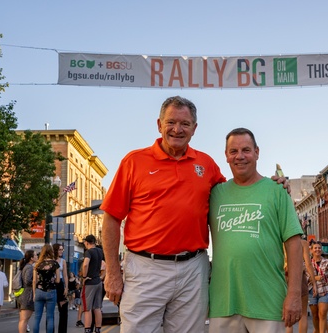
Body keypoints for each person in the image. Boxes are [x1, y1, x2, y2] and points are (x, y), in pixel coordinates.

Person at [100, 96, 287, 333]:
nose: (177, 129)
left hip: (193, 269)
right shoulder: (134, 161)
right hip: (146, 267)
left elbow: (237, 190)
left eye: (185, 124)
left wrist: (273, 186)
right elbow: (111, 218)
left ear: (194, 129)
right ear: (159, 124)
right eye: (171, 122)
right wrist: (113, 273)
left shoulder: (206, 164)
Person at [208, 127, 303, 332]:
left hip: (268, 303)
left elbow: (294, 244)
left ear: (257, 152)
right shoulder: (215, 193)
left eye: (246, 150)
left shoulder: (277, 191)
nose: (240, 156)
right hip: (223, 304)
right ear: (226, 156)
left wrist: (294, 294)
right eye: (233, 151)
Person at [285, 236, 317, 333]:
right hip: (299, 277)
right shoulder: (303, 243)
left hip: (284, 277)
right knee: (303, 315)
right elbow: (308, 264)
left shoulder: (282, 242)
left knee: (286, 316)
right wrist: (314, 282)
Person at [308, 241, 328, 333]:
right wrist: (314, 278)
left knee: (322, 313)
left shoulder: (327, 262)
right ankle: (317, 330)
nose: (317, 250)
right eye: (315, 248)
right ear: (311, 250)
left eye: (319, 248)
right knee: (315, 316)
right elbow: (304, 277)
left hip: (325, 290)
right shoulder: (308, 263)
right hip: (312, 292)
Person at [33, 244, 60, 333]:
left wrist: (34, 293)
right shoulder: (55, 263)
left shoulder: (37, 264)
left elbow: (34, 280)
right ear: (51, 251)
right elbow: (58, 280)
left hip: (39, 291)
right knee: (50, 317)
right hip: (51, 291)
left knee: (37, 317)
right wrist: (52, 280)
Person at [82, 235, 104, 333]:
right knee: (97, 307)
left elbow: (86, 263)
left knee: (87, 308)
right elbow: (104, 265)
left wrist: (84, 276)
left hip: (90, 282)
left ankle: (87, 329)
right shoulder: (100, 251)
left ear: (87, 242)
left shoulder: (88, 252)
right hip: (98, 281)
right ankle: (98, 329)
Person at [17, 250, 37, 333]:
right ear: (31, 258)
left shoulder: (27, 266)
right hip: (27, 295)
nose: (37, 256)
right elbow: (27, 280)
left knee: (24, 319)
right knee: (24, 319)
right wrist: (36, 280)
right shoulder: (29, 267)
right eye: (35, 255)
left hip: (24, 294)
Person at [53, 243, 69, 333]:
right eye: (59, 249)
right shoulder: (51, 260)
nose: (61, 251)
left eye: (62, 249)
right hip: (52, 285)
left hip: (61, 286)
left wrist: (66, 288)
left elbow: (66, 275)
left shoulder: (63, 261)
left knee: (63, 311)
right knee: (50, 312)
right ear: (55, 250)